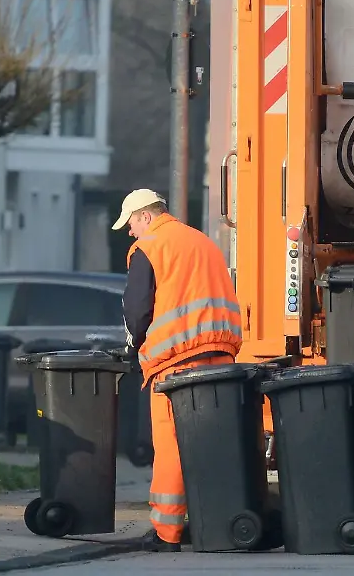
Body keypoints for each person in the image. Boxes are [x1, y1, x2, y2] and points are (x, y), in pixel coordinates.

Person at [113, 188, 243, 553]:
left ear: (146, 216)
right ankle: (220, 526)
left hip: (176, 361)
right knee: (213, 444)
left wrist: (133, 344)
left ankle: (167, 532)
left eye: (131, 224)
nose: (129, 233)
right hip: (220, 355)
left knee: (171, 445)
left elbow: (137, 310)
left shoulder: (150, 247)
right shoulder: (201, 242)